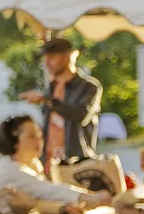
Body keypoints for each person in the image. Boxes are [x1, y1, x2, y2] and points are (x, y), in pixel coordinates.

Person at [18, 37, 102, 166]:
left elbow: (81, 115)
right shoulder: (51, 87)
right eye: (45, 58)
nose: (46, 63)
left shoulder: (89, 86)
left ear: (67, 57)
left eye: (51, 57)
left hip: (77, 161)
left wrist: (46, 100)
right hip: (49, 161)